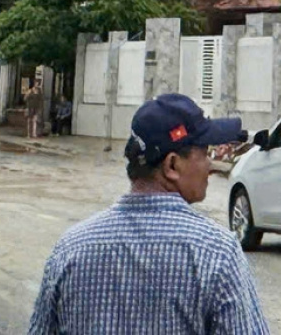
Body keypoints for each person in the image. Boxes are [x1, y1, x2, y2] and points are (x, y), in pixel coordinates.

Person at [28, 93, 267, 335]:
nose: (210, 166)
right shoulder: (217, 253)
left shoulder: (71, 249)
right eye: (205, 153)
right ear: (172, 165)